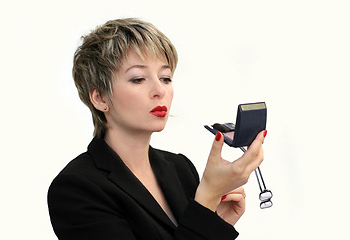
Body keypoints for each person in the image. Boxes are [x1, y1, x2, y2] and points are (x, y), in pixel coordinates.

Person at [47, 18, 266, 240]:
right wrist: (207, 198)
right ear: (100, 97)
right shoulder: (76, 188)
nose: (159, 90)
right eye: (138, 79)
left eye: (165, 77)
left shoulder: (180, 168)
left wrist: (214, 222)